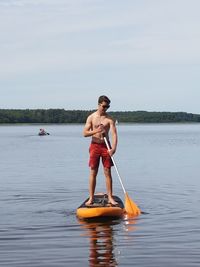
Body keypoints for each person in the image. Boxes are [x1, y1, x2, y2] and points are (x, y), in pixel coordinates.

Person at [83, 95, 118, 206]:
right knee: (93, 171)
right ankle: (91, 198)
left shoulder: (109, 119)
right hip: (94, 145)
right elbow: (84, 133)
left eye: (108, 106)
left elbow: (114, 134)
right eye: (104, 106)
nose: (106, 108)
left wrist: (113, 148)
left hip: (105, 146)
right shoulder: (91, 117)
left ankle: (110, 198)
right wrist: (96, 130)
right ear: (99, 104)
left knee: (107, 172)